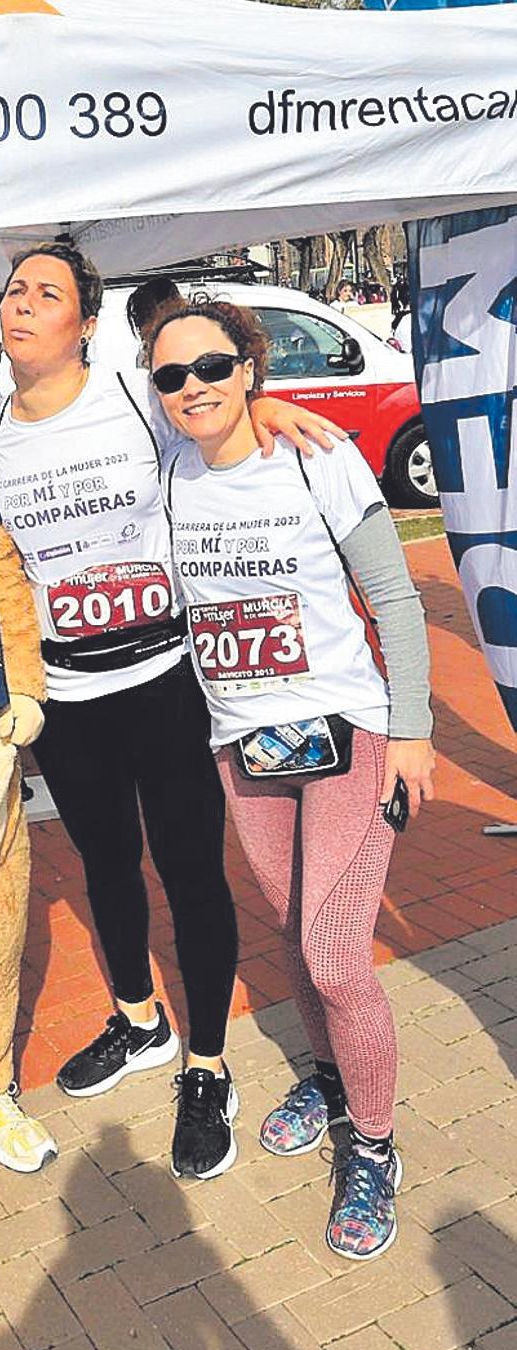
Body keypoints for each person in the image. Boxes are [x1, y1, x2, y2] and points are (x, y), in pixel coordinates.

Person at [0, 246, 342, 1181]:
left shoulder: (134, 399)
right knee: (104, 864)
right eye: (14, 291)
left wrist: (268, 404)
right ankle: (138, 1020)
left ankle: (207, 1066)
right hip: (70, 698)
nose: (22, 306)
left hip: (169, 682)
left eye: (46, 294)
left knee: (189, 871)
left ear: (86, 324)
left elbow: (212, 413)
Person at [148, 298, 436, 1259]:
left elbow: (392, 595)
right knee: (291, 929)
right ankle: (326, 1072)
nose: (193, 387)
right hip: (246, 747)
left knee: (333, 951)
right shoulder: (169, 469)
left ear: (251, 368)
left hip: (348, 734)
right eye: (172, 375)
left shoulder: (318, 456)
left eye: (215, 368)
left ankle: (375, 1144)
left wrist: (413, 731)